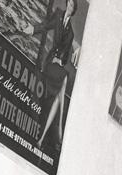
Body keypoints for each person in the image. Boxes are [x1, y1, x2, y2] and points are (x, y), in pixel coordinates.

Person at [24, 0, 81, 149]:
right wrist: (33, 29)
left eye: (72, 6)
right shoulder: (58, 15)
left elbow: (65, 56)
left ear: (74, 10)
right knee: (62, 84)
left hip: (57, 65)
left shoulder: (71, 32)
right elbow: (45, 25)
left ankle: (43, 137)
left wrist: (60, 60)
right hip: (49, 63)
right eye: (69, 4)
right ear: (67, 4)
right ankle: (59, 131)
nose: (69, 7)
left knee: (58, 95)